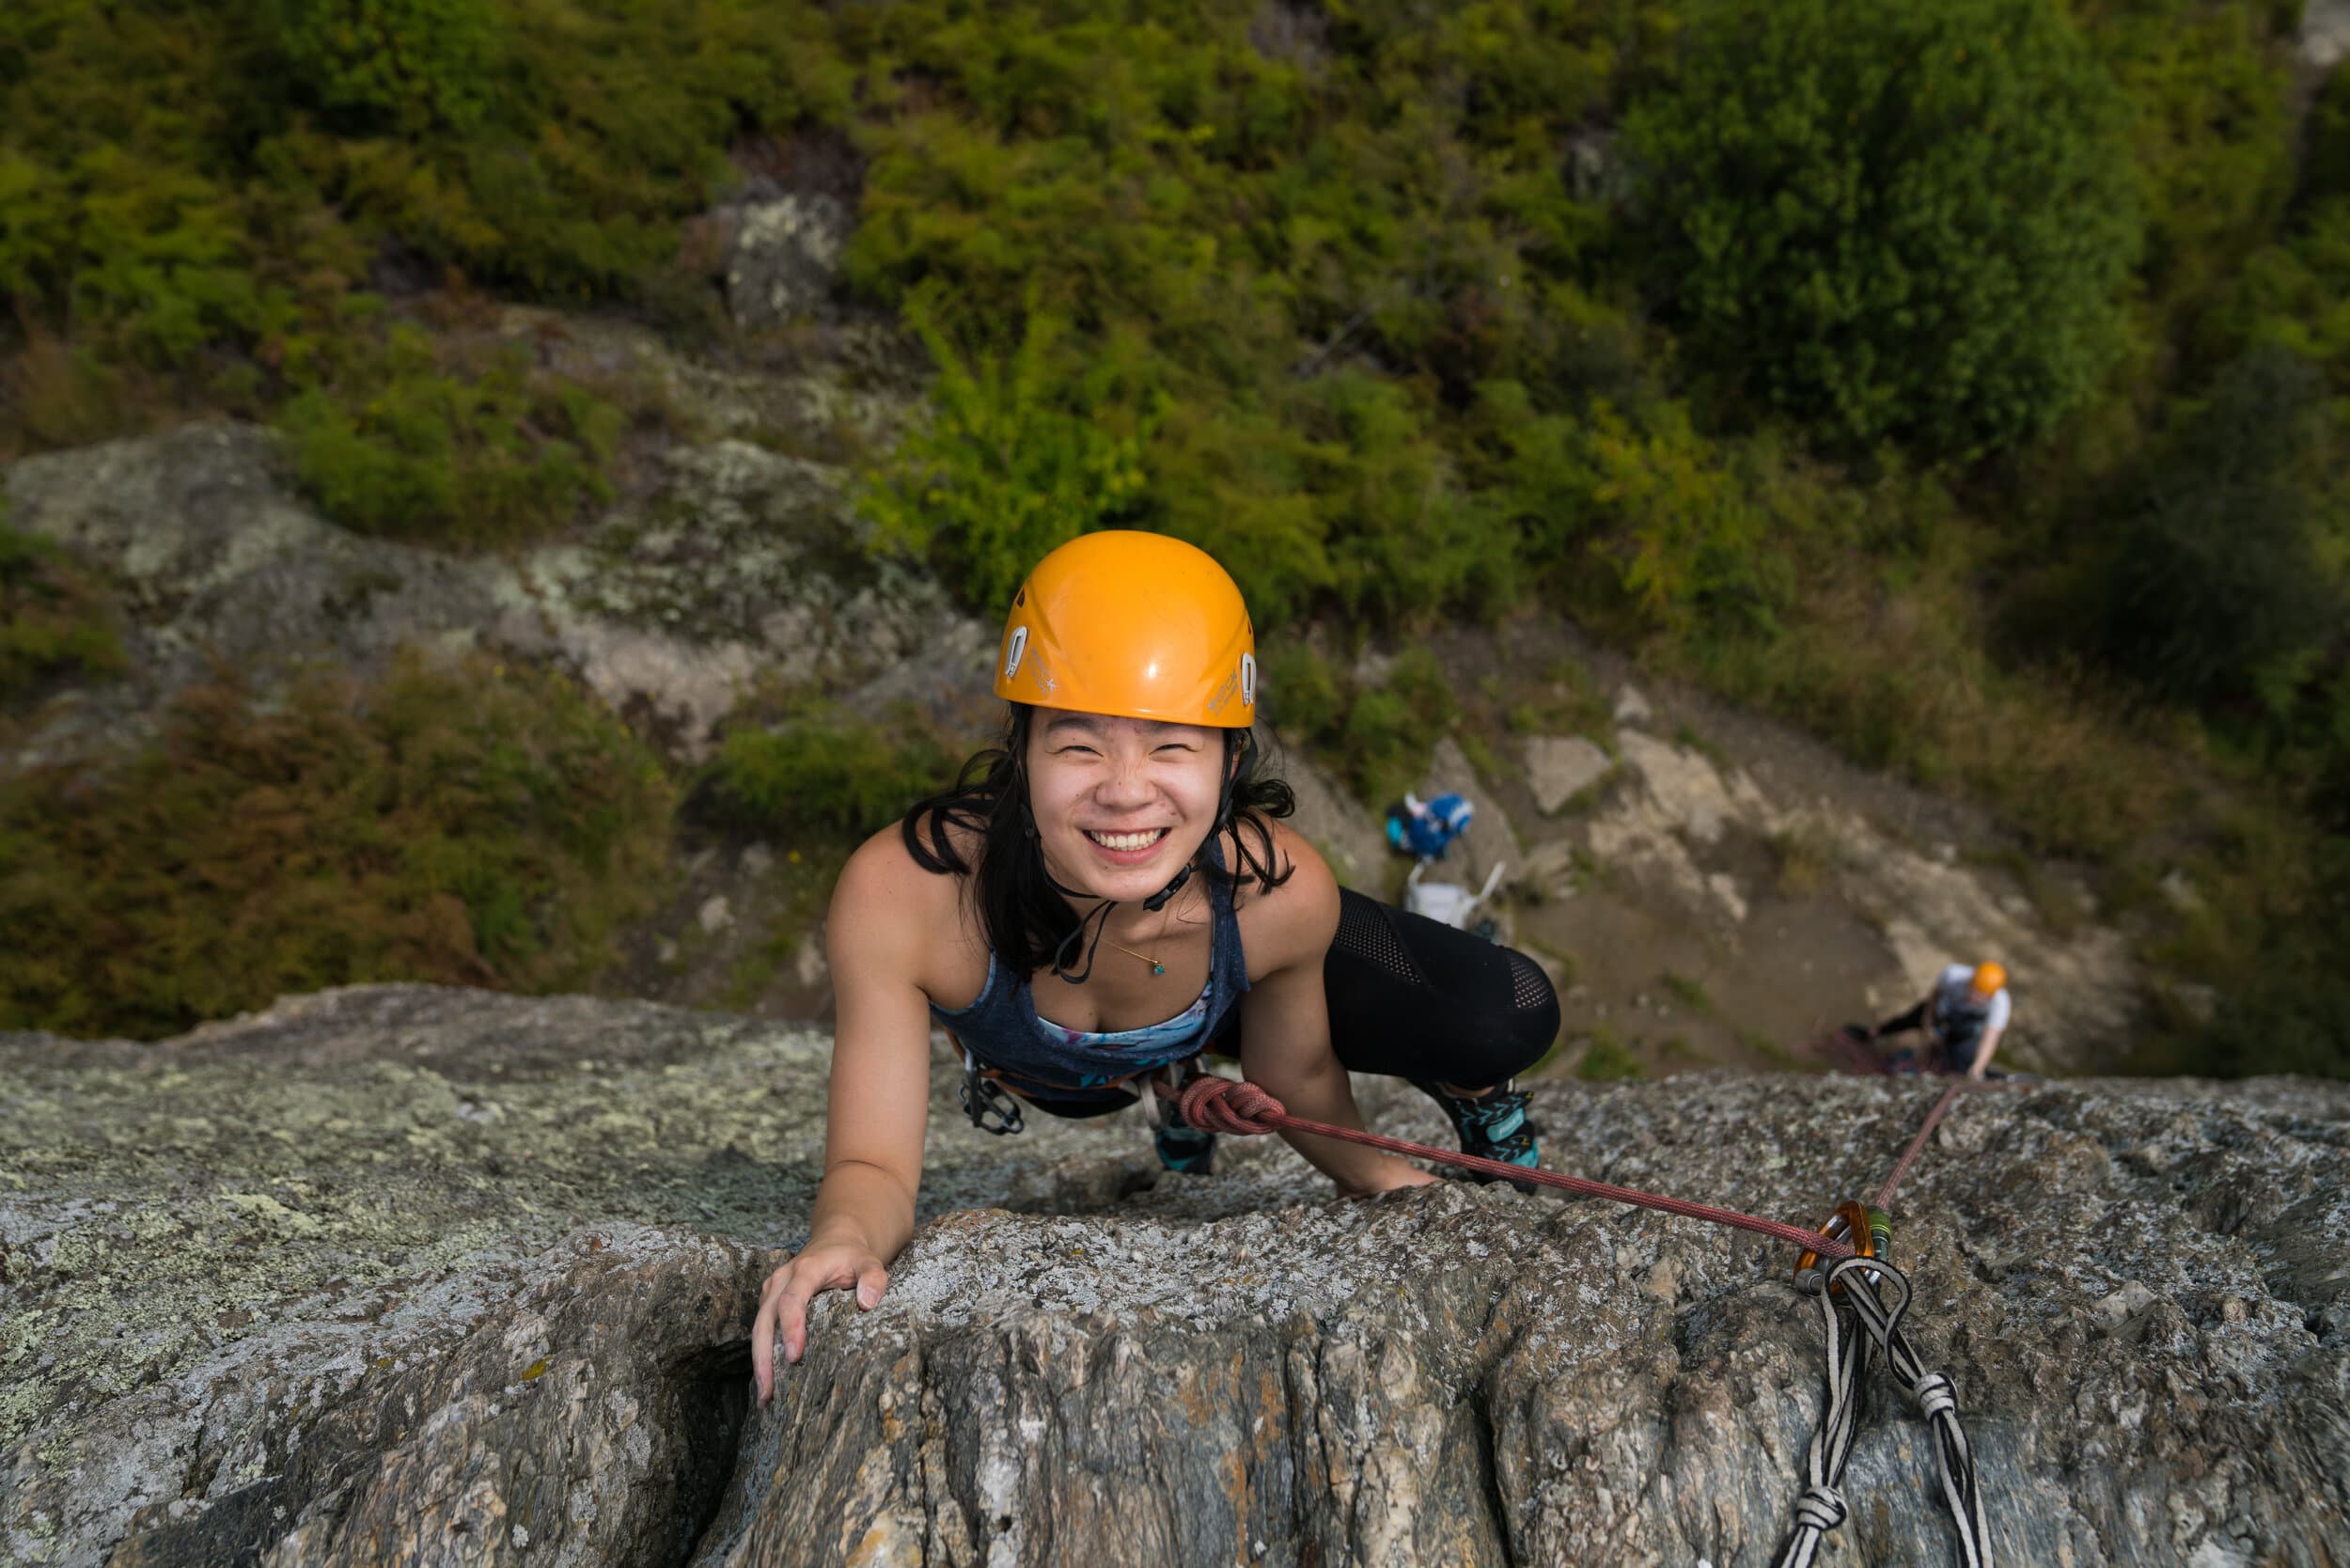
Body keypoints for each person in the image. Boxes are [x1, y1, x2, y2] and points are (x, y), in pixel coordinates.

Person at [751, 531, 1559, 1402]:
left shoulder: (1275, 892)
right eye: (1079, 746)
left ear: (1230, 762)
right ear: (1021, 756)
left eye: (1173, 746)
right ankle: (1169, 1064)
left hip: (1220, 945)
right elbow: (872, 1167)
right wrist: (844, 1239)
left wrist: (1393, 1182)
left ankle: (1435, 1089)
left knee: (1503, 1012)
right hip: (1054, 1063)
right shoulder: (907, 896)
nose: (1127, 790)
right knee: (1082, 1075)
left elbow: (1297, 1072)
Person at [1864, 962, 2011, 1079]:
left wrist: (1978, 1067)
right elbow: (1933, 998)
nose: (1975, 998)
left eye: (1981, 996)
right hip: (1942, 1011)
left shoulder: (2001, 1003)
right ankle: (1874, 1033)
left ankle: (1950, 1065)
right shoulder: (1953, 975)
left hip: (1965, 1026)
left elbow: (1990, 1039)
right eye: (1974, 992)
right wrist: (1927, 1026)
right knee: (1908, 1020)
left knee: (1962, 1056)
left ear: (1991, 995)